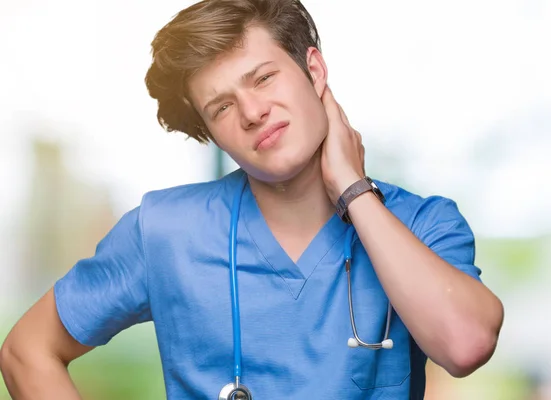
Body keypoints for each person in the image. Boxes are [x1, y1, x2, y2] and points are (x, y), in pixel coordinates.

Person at [0, 0, 504, 399]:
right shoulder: (164, 230)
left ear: (315, 70)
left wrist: (354, 191)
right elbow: (27, 351)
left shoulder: (422, 223)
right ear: (212, 134)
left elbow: (465, 346)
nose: (253, 112)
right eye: (222, 107)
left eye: (263, 78)